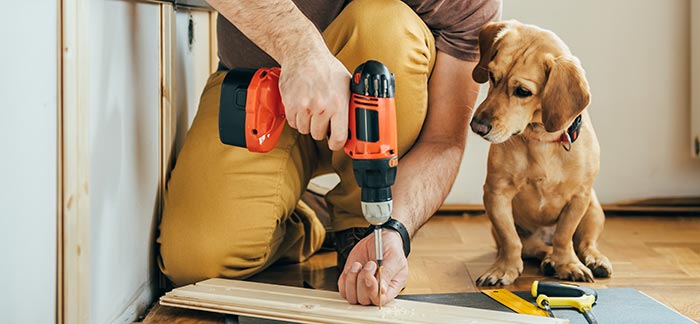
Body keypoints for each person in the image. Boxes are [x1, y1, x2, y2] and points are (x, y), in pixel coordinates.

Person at [158, 0, 501, 306]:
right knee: (197, 260)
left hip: (373, 73)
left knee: (383, 24)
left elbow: (442, 140)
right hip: (257, 84)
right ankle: (312, 217)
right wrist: (300, 49)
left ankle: (360, 224)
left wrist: (395, 227)